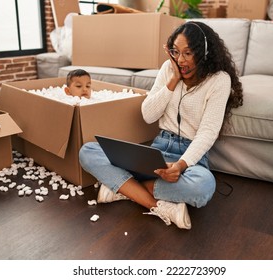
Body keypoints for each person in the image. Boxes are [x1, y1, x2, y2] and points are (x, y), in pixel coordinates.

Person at [79, 21, 243, 229]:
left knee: (203, 187)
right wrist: (173, 81)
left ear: (204, 54)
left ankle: (124, 188)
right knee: (87, 151)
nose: (180, 60)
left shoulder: (219, 79)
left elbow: (208, 132)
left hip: (191, 158)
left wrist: (181, 165)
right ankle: (159, 206)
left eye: (188, 53)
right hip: (158, 151)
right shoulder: (169, 69)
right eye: (176, 52)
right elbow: (148, 115)